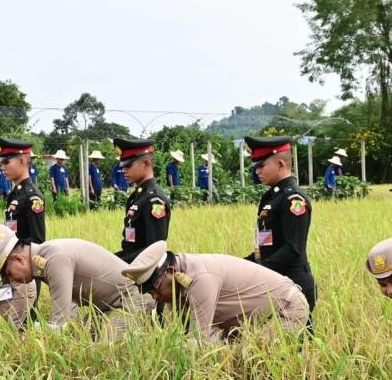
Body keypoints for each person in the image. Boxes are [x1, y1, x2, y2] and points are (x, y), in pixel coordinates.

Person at [122, 240, 309, 341]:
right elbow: (184, 333)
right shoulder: (176, 285)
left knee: (260, 368)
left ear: (171, 272)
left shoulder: (200, 279)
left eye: (154, 289)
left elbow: (198, 340)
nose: (155, 297)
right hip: (248, 324)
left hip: (285, 309)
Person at [0, 233, 143, 332]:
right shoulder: (43, 260)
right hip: (106, 308)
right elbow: (69, 309)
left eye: (8, 273)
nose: (11, 280)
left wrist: (28, 338)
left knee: (106, 352)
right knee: (84, 337)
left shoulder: (54, 259)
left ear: (19, 259)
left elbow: (59, 323)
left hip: (130, 302)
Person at [245, 135, 316, 316]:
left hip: (293, 284)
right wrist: (241, 264)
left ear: (280, 165)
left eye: (261, 166)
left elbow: (293, 249)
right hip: (272, 282)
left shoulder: (294, 200)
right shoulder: (270, 198)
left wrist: (257, 270)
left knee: (298, 342)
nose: (257, 171)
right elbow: (265, 245)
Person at [114, 138, 171, 263]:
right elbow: (131, 244)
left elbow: (154, 251)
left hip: (143, 270)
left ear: (146, 164)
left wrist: (118, 261)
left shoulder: (154, 200)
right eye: (123, 166)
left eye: (128, 165)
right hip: (131, 260)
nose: (124, 170)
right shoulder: (136, 196)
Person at [0, 138, 47, 243]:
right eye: (1, 163)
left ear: (22, 161)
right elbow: (12, 230)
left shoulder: (32, 197)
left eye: (6, 162)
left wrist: (11, 246)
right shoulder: (14, 194)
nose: (2, 167)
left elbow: (37, 241)